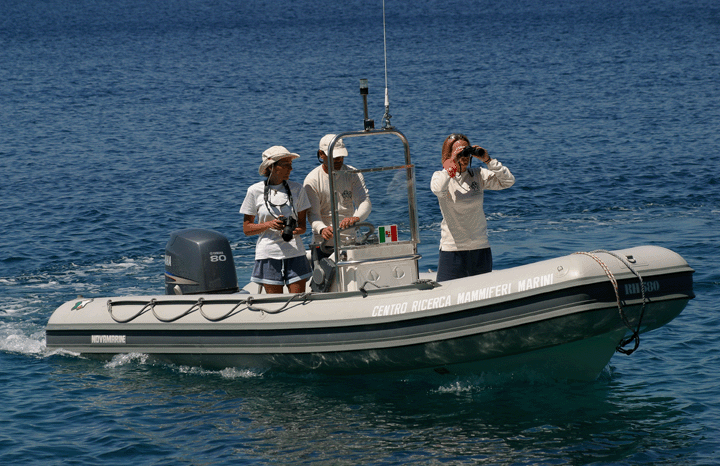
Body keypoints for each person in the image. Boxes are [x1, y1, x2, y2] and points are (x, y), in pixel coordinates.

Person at [430, 133, 515, 282]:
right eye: (459, 153)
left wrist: (488, 160)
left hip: (480, 249)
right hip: (452, 251)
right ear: (448, 155)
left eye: (466, 153)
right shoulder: (440, 177)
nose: (464, 157)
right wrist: (452, 165)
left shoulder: (478, 175)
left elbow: (508, 181)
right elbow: (438, 189)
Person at [240, 145, 312, 294]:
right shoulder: (254, 191)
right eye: (285, 165)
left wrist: (291, 230)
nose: (290, 169)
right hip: (268, 254)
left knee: (298, 301)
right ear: (271, 167)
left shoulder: (298, 189)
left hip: (295, 252)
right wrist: (268, 225)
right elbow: (247, 229)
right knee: (275, 303)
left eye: (291, 165)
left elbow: (303, 227)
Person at [303, 134, 372, 245]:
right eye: (334, 157)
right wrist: (322, 229)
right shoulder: (312, 180)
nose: (338, 160)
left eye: (341, 156)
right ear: (321, 154)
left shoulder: (353, 174)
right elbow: (313, 214)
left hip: (352, 241)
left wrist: (356, 217)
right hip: (324, 244)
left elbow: (365, 202)